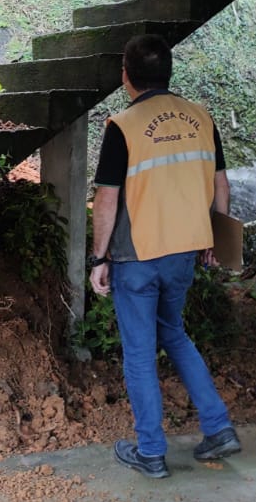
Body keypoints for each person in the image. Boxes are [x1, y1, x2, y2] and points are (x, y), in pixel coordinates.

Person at [88, 34, 241, 478]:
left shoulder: (123, 125)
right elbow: (221, 186)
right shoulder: (201, 118)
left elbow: (106, 198)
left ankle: (151, 451)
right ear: (168, 71)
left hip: (138, 256)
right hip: (184, 253)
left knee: (139, 352)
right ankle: (217, 427)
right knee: (173, 333)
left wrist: (99, 259)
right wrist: (217, 237)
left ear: (126, 75)